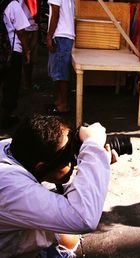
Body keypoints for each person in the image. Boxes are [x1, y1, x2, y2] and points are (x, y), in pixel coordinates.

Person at [0, 114, 117, 257]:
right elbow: (83, 218)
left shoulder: (13, 149)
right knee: (69, 238)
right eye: (68, 158)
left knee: (68, 238)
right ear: (41, 166)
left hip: (13, 233)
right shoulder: (11, 188)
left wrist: (94, 162)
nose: (73, 161)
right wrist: (92, 149)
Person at [0, 0, 30, 129]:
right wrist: (27, 50)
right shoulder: (13, 5)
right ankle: (6, 117)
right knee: (11, 84)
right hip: (12, 52)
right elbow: (21, 32)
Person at [47, 0, 75, 115]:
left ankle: (63, 105)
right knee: (60, 71)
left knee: (61, 73)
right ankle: (60, 102)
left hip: (61, 35)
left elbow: (55, 13)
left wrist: (49, 35)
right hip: (64, 35)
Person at [19, 0, 40, 90]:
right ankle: (25, 83)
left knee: (30, 58)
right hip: (23, 28)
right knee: (24, 56)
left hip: (34, 26)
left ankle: (28, 83)